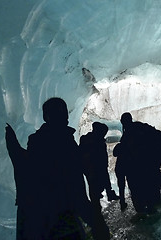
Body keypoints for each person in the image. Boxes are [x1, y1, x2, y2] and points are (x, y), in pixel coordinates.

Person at [26, 97, 110, 240]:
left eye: (64, 113)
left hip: (61, 204)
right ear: (47, 117)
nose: (65, 116)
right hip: (61, 205)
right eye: (60, 113)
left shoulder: (46, 140)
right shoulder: (52, 140)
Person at [119, 112, 161, 214]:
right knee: (153, 175)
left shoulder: (129, 133)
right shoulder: (141, 127)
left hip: (145, 160)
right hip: (151, 157)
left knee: (148, 179)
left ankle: (151, 205)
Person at [79, 122, 119, 204]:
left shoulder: (88, 139)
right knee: (96, 186)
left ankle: (106, 194)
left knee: (98, 184)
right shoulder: (95, 141)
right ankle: (97, 206)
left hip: (94, 168)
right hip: (94, 168)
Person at [113, 143, 128, 211]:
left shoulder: (119, 145)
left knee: (121, 186)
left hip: (119, 167)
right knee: (132, 184)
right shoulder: (130, 145)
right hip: (128, 166)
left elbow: (114, 154)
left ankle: (122, 202)